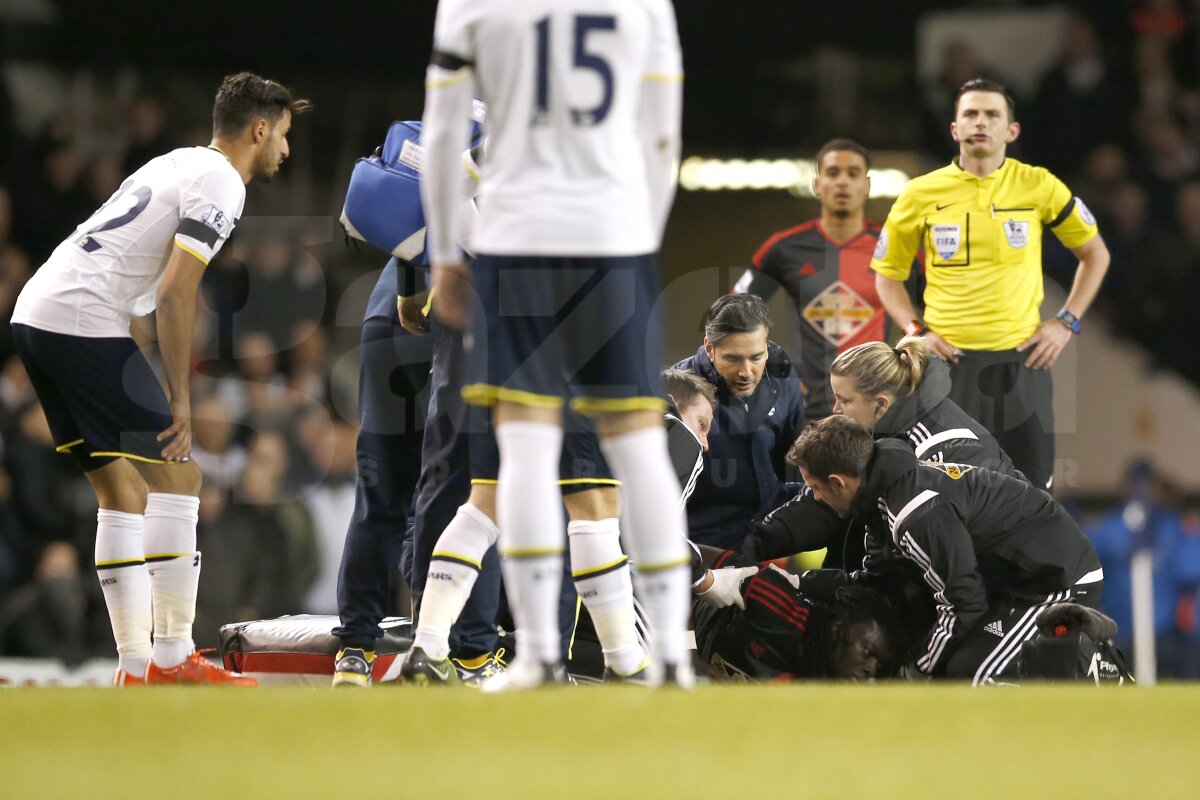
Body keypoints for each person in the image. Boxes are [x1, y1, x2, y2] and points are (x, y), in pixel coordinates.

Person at [421, 0, 690, 689]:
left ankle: (539, 651)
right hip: (615, 233)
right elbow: (663, 134)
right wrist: (641, 233)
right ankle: (668, 658)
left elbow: (445, 127)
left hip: (519, 236)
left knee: (525, 452)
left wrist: (447, 251)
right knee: (638, 447)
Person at [9, 72, 309, 686]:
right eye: (282, 135)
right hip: (80, 318)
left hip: (37, 314)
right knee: (182, 474)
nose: (285, 149)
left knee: (123, 492)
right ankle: (172, 658)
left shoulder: (175, 162)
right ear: (259, 128)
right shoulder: (224, 183)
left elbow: (139, 284)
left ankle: (133, 668)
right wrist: (179, 398)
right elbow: (176, 295)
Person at [871, 78, 1111, 492]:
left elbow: (1096, 255)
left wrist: (1066, 321)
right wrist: (916, 332)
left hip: (1022, 363)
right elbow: (886, 275)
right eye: (970, 114)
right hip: (947, 369)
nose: (980, 122)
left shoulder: (1039, 185)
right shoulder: (920, 193)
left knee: (1032, 493)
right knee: (944, 491)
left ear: (1011, 130)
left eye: (992, 114)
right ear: (955, 128)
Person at [789, 415, 1103, 685]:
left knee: (972, 677)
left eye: (815, 488)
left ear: (838, 482)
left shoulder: (912, 511)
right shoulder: (890, 491)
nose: (816, 498)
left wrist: (915, 672)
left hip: (1054, 580)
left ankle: (1095, 671)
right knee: (951, 666)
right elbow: (879, 580)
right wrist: (802, 583)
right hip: (1014, 581)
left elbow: (963, 602)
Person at [735, 139, 910, 422]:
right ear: (817, 184)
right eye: (832, 173)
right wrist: (774, 373)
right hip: (806, 414)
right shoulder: (783, 248)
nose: (842, 182)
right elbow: (732, 316)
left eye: (853, 174)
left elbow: (937, 315)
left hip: (877, 414)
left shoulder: (895, 248)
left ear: (866, 186)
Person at [674, 294, 805, 550]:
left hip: (769, 530)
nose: (746, 372)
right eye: (733, 359)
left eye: (756, 357)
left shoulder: (783, 375)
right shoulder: (676, 392)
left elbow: (796, 456)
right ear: (710, 349)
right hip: (705, 543)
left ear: (766, 347)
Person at [692, 563, 902, 682]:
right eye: (867, 652)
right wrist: (686, 656)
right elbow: (689, 573)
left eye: (879, 664)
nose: (871, 670)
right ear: (839, 627)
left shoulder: (826, 689)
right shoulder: (780, 604)